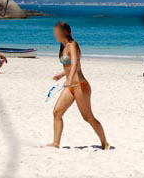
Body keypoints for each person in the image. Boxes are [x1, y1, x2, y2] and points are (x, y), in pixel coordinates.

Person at [45, 22, 111, 150]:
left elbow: (75, 64)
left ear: (64, 32)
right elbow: (69, 67)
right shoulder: (62, 47)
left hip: (81, 86)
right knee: (57, 112)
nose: (54, 35)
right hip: (71, 86)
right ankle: (56, 143)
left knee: (88, 117)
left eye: (56, 32)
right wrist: (61, 74)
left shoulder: (72, 45)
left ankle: (105, 143)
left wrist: (69, 79)